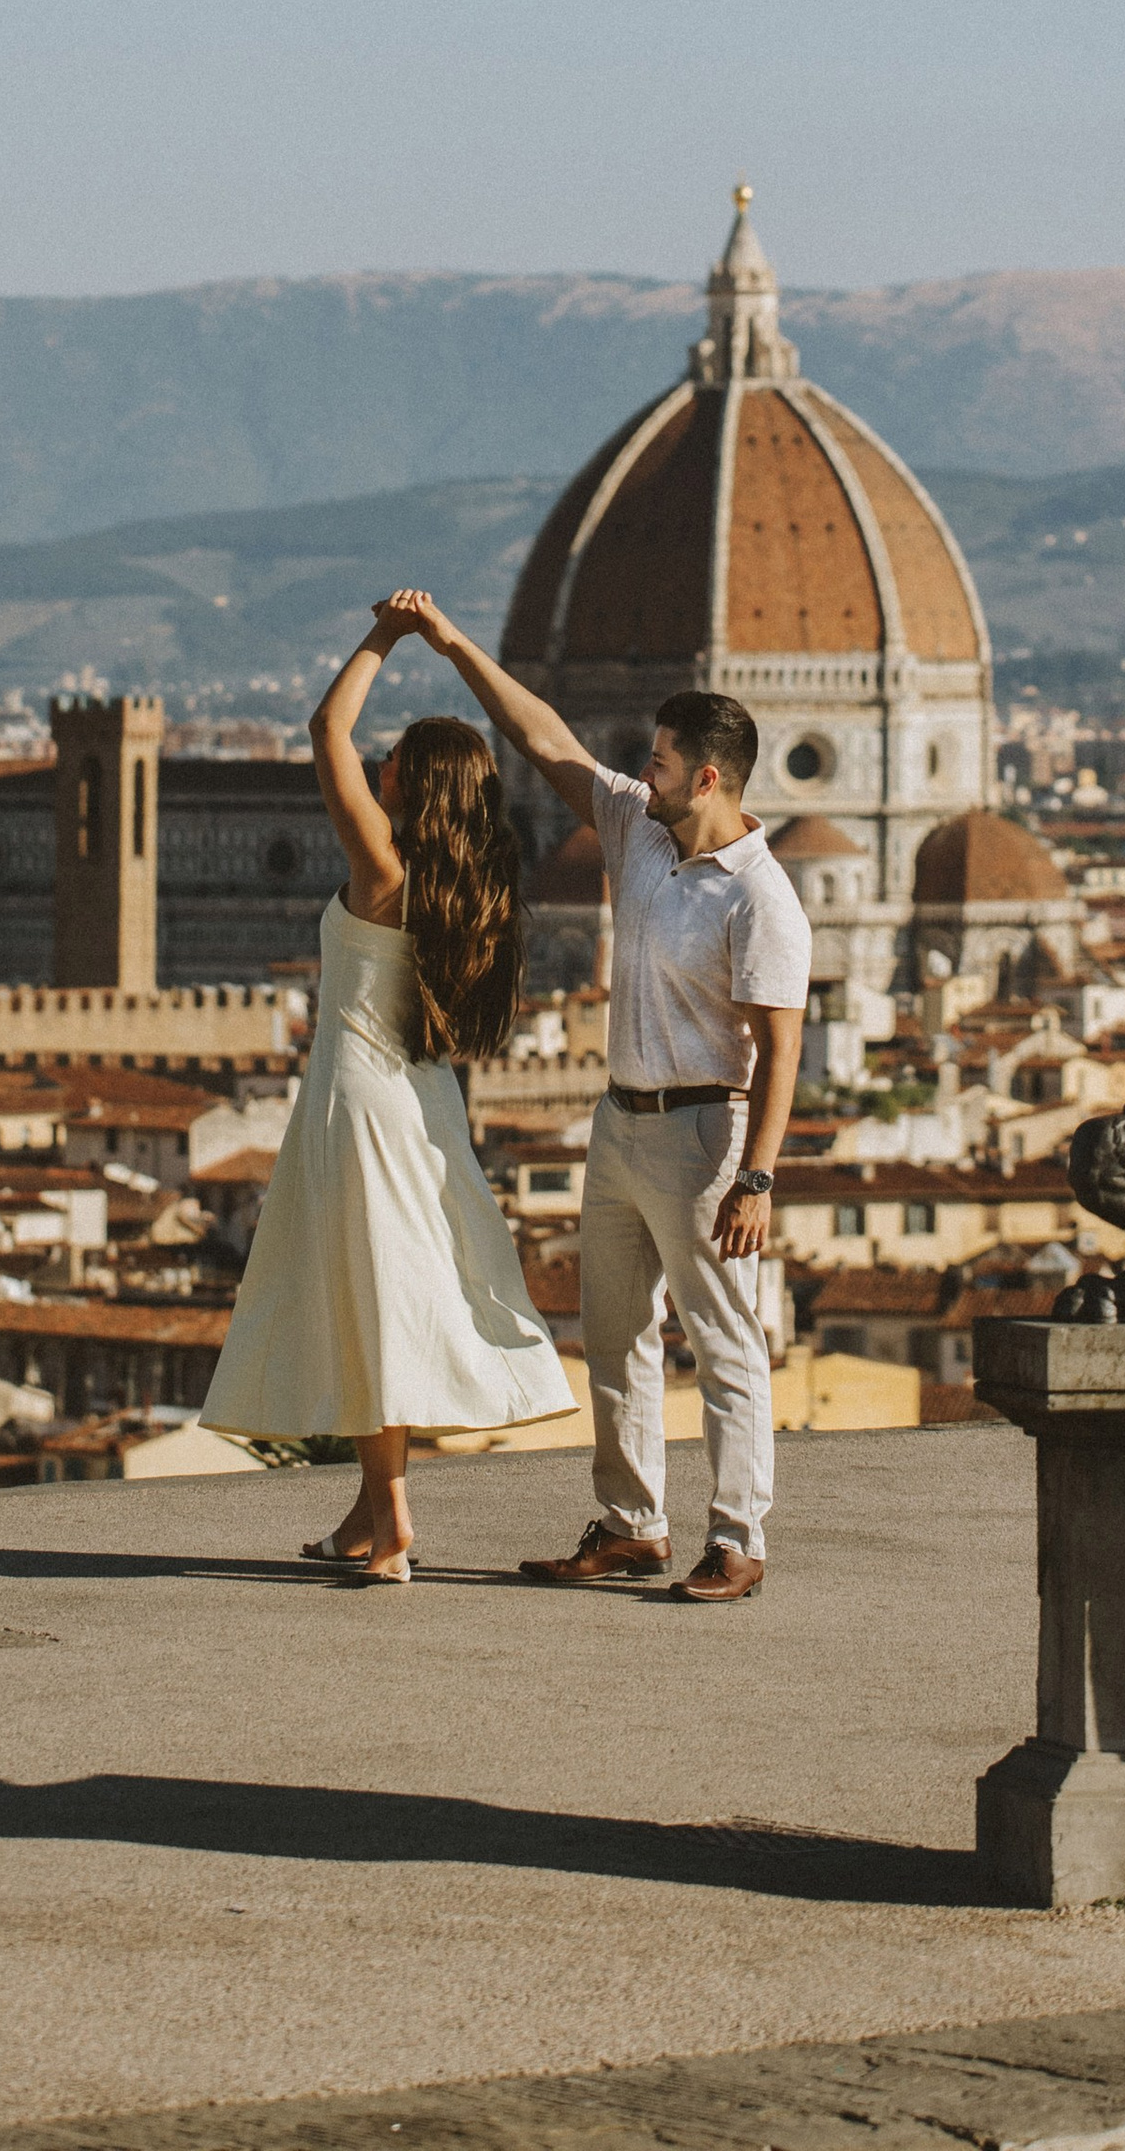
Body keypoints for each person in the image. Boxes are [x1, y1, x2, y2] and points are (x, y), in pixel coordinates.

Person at [384, 590, 808, 1606]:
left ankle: (738, 1539)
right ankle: (630, 1526)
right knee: (613, 1338)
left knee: (724, 1347)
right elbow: (544, 738)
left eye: (658, 761)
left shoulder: (761, 896)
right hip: (620, 1123)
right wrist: (453, 647)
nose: (641, 771)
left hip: (708, 1135)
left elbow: (782, 1048)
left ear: (707, 777)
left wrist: (757, 1174)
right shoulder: (636, 832)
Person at [197, 601, 571, 1576]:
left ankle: (391, 1516)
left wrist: (382, 637)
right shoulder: (476, 882)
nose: (380, 768)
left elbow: (326, 730)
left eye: (394, 759)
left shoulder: (381, 866)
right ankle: (370, 1516)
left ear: (408, 779)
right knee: (385, 1302)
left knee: (364, 1306)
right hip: (426, 1104)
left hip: (354, 1102)